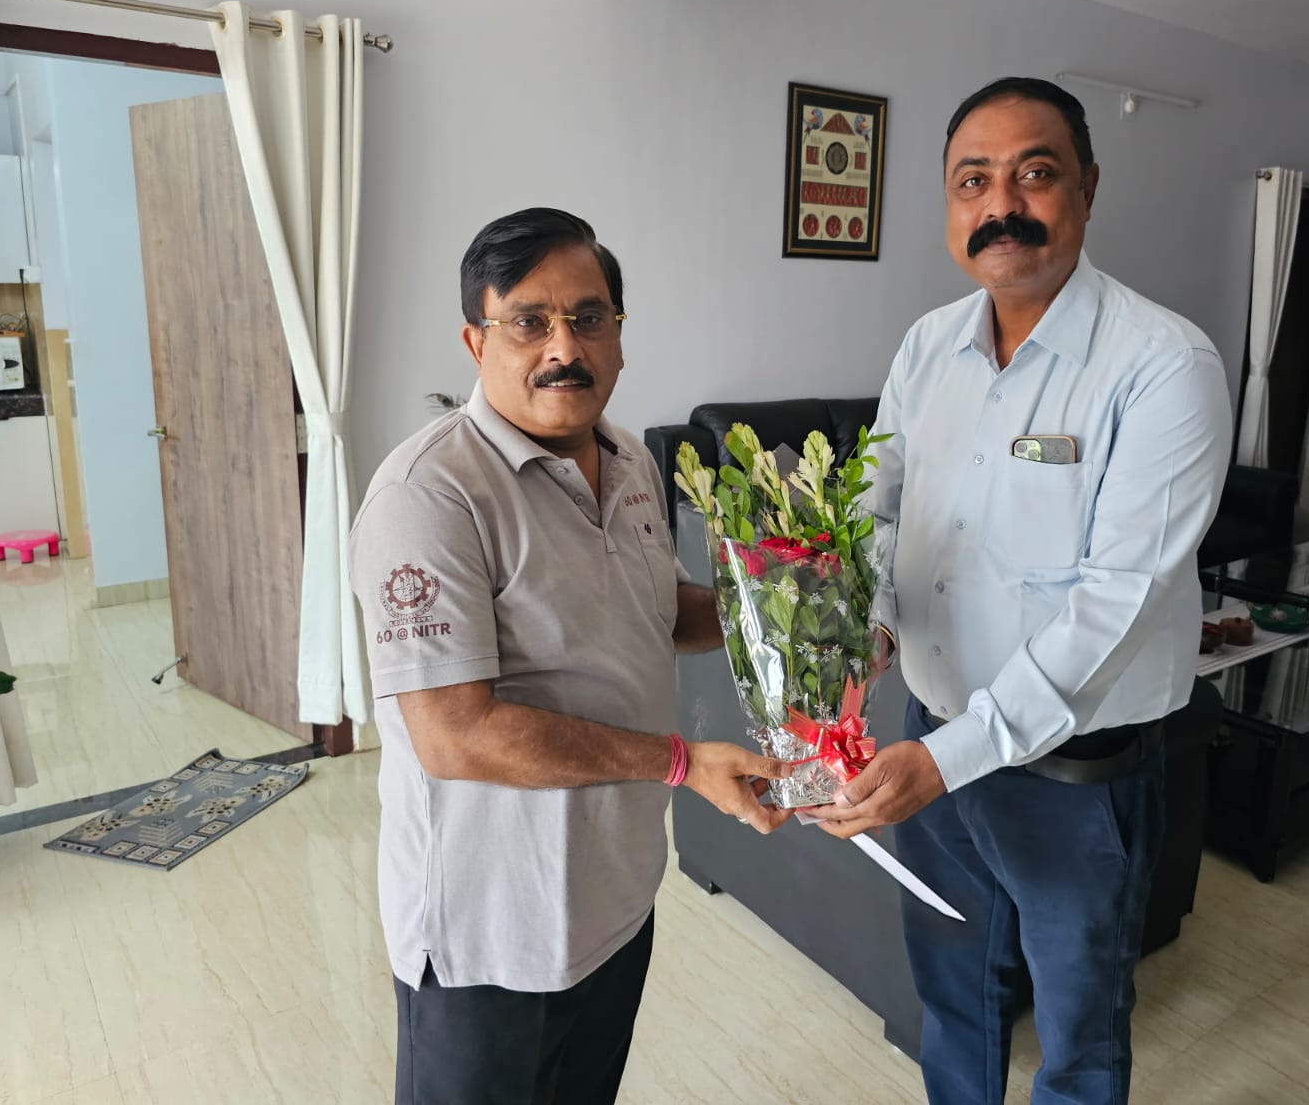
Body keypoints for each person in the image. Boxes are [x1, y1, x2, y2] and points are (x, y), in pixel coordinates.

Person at [805, 78, 1233, 1103]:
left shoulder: (1163, 364)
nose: (1002, 205)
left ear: (1087, 187)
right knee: (952, 993)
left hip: (1073, 777)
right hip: (929, 738)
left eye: (1034, 174)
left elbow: (1117, 602)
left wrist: (945, 761)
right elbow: (879, 513)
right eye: (973, 181)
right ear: (949, 204)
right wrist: (871, 626)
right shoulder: (927, 346)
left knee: (1079, 1029)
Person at [348, 207, 793, 1105]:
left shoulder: (630, 460)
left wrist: (791, 612)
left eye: (589, 317)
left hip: (613, 899)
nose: (564, 347)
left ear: (618, 333)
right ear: (476, 340)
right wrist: (679, 762)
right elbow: (456, 735)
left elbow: (660, 613)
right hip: (492, 939)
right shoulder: (428, 496)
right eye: (529, 321)